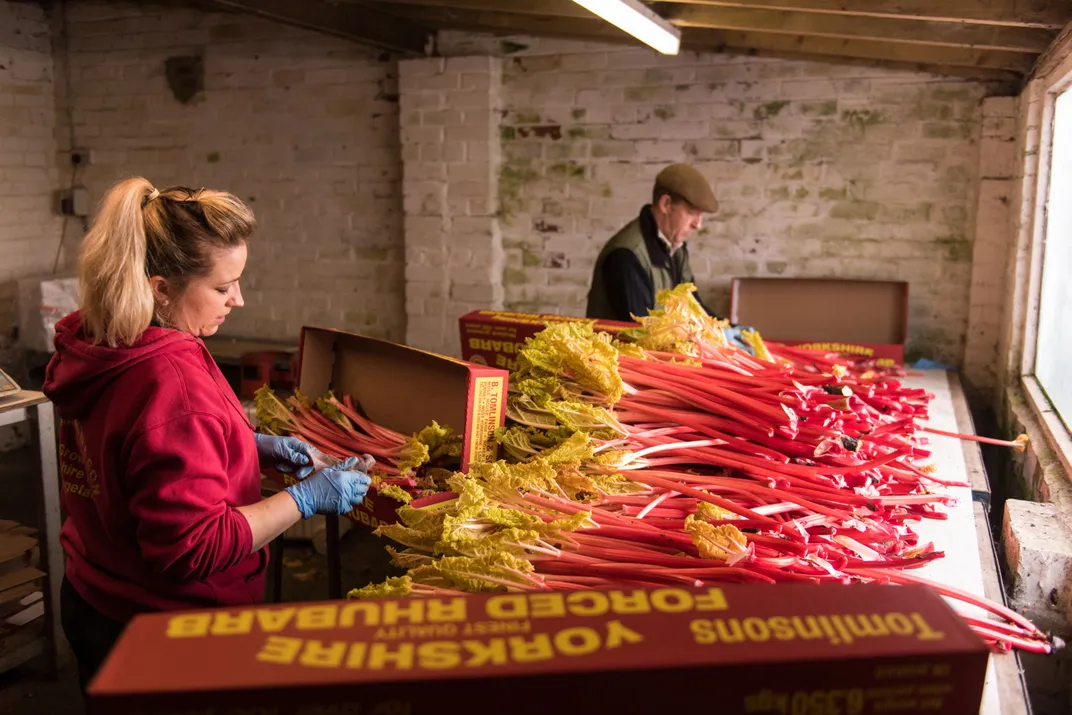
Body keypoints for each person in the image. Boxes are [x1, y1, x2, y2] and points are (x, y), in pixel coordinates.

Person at [43, 177, 371, 691]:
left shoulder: (104, 341)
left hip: (94, 592)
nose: (237, 300)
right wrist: (304, 500)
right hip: (168, 632)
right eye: (222, 287)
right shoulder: (171, 385)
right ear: (162, 288)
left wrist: (247, 445)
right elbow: (191, 550)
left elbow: (127, 449)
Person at [585, 163, 753, 350]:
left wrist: (730, 328)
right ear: (666, 204)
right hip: (619, 366)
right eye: (691, 213)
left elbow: (694, 306)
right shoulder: (626, 256)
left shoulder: (676, 249)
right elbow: (641, 332)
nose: (698, 225)